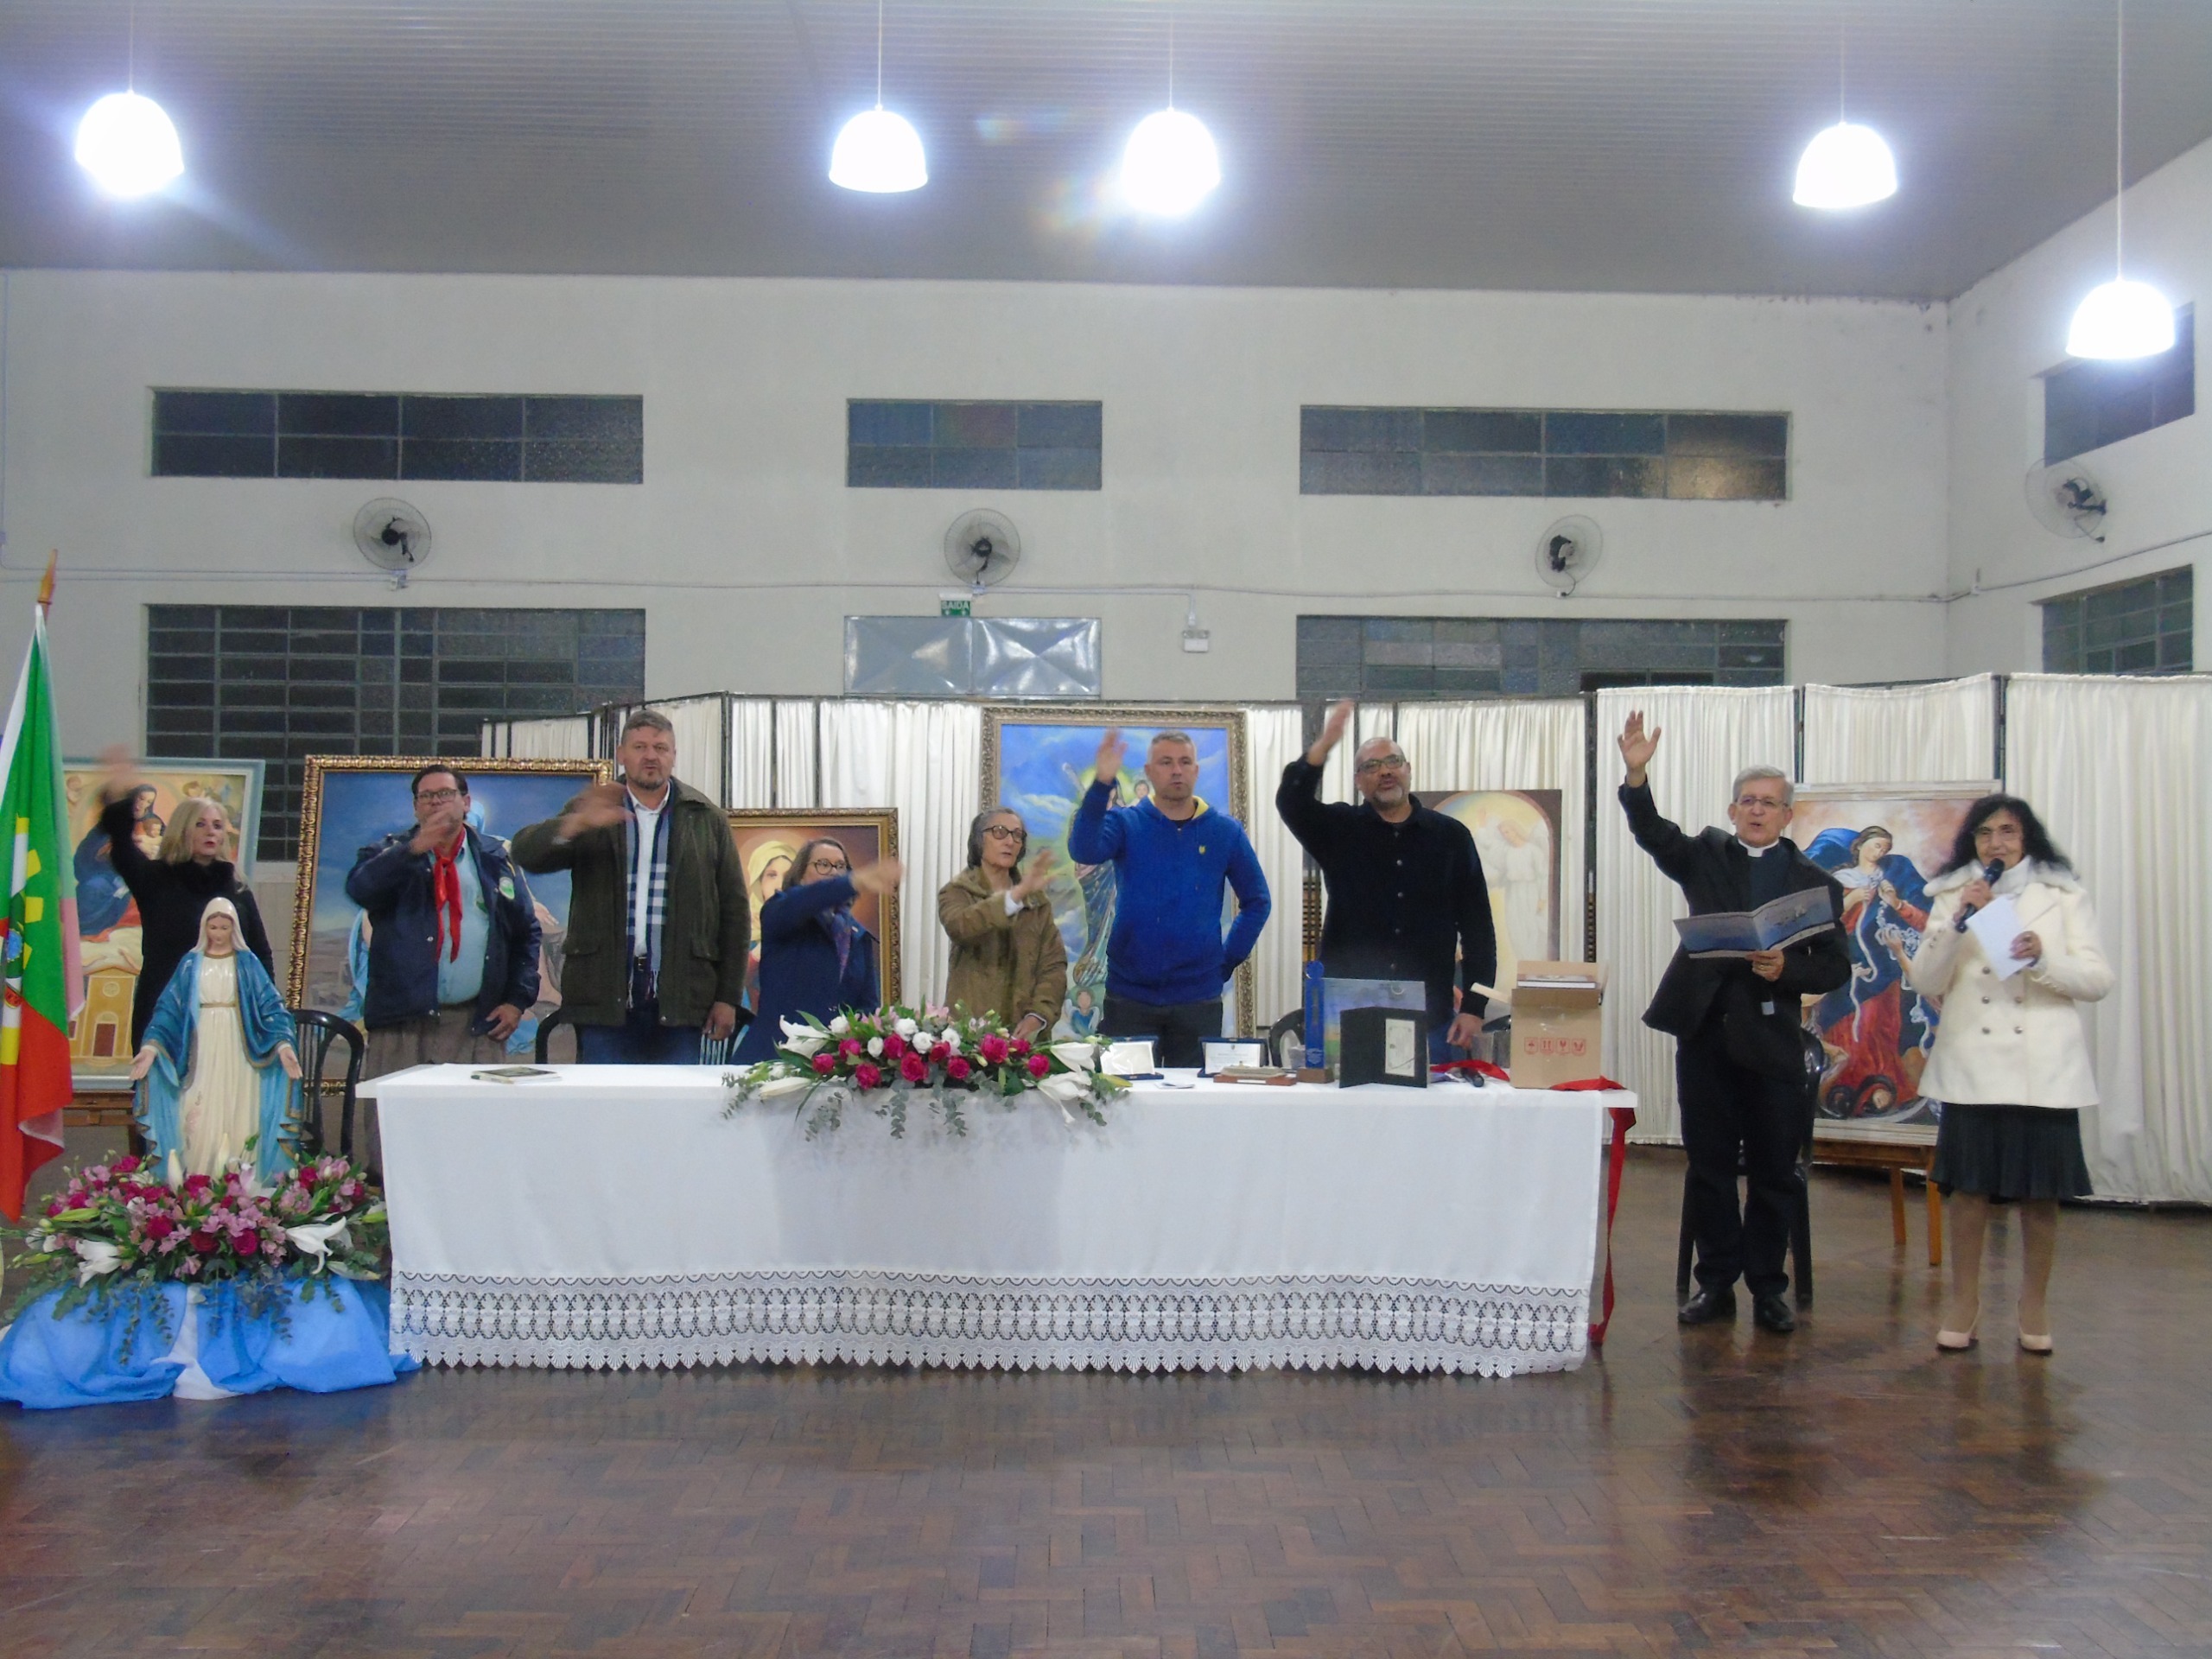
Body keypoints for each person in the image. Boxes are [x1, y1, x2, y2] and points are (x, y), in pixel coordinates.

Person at [1617, 712, 1849, 1334]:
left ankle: (1769, 1289)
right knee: (1711, 1167)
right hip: (1708, 1032)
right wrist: (1637, 776)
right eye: (1747, 801)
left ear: (1788, 816)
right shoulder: (1706, 855)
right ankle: (1714, 1284)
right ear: (1732, 808)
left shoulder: (1816, 884)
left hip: (1772, 1037)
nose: (1756, 811)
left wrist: (1786, 970)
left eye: (1769, 804)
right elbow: (1652, 832)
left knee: (1774, 1171)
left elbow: (1834, 970)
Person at [1904, 795, 2111, 1354]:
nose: (1996, 843)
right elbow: (1926, 979)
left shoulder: (2063, 896)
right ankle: (1964, 1301)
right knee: (1968, 1190)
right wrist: (1958, 921)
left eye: (2009, 832)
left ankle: (2033, 1302)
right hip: (1973, 1061)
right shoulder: (1951, 895)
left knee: (2041, 1197)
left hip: (2042, 1065)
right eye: (1985, 834)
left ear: (2027, 839)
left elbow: (2097, 979)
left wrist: (2043, 957)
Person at [512, 709, 750, 1064]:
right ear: (622, 754)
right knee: (608, 1110)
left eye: (660, 747)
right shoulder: (594, 807)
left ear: (673, 755)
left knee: (674, 1109)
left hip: (682, 1000)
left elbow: (734, 912)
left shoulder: (705, 818)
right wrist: (575, 824)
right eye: (640, 747)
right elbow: (527, 853)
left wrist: (728, 997)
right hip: (603, 998)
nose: (651, 756)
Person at [1276, 701, 1497, 1060]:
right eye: (1371, 766)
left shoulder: (1451, 837)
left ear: (1408, 770)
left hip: (1431, 1014)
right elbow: (1291, 802)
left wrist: (1475, 1006)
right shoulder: (1339, 830)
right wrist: (1322, 748)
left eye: (1393, 762)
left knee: (1431, 1116)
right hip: (1350, 1014)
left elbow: (1478, 928)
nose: (1385, 772)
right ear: (1358, 781)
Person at [1066, 728, 1270, 1067]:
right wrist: (1102, 783)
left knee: (1194, 1109)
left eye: (1184, 762)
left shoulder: (1224, 831)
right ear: (1149, 772)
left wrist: (1227, 959)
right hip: (1128, 996)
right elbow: (1083, 848)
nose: (1176, 770)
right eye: (1166, 762)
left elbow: (1257, 901)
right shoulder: (1126, 822)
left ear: (1196, 771)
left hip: (1198, 1000)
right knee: (1123, 1099)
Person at [344, 766, 542, 1075]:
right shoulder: (388, 852)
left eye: (446, 794)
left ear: (466, 802)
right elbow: (360, 888)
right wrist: (413, 850)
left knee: (472, 1121)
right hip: (402, 1026)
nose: (436, 802)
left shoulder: (495, 860)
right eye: (427, 796)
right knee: (396, 1122)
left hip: (477, 1024)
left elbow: (526, 933)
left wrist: (518, 1000)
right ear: (416, 807)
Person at [97, 756, 274, 1052]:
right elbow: (123, 846)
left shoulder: (236, 887)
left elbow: (260, 952)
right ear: (182, 829)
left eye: (218, 826)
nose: (211, 832)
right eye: (201, 824)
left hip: (226, 1013)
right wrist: (119, 795)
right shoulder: (155, 879)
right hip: (167, 1008)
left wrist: (264, 1010)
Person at [130, 899, 302, 1178]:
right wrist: (151, 1047)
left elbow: (271, 1007)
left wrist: (283, 1045)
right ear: (204, 928)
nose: (219, 933)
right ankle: (200, 1176)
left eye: (225, 927)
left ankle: (241, 1178)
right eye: (213, 927)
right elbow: (168, 1011)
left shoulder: (247, 963)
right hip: (202, 1046)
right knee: (198, 1110)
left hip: (239, 1046)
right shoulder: (190, 964)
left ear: (234, 929)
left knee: (239, 1108)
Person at [732, 837, 902, 1063]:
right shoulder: (780, 911)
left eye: (840, 867)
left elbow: (867, 1006)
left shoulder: (857, 935)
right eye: (822, 864)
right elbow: (806, 899)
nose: (833, 873)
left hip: (830, 1065)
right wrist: (853, 881)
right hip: (775, 1057)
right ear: (800, 874)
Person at [939, 809, 1068, 1041]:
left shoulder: (1037, 902)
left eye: (1017, 835)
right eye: (999, 832)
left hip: (1025, 1039)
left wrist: (1038, 1016)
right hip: (971, 1038)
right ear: (979, 839)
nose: (1010, 841)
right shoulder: (957, 891)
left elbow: (1053, 965)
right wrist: (1015, 896)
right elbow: (962, 928)